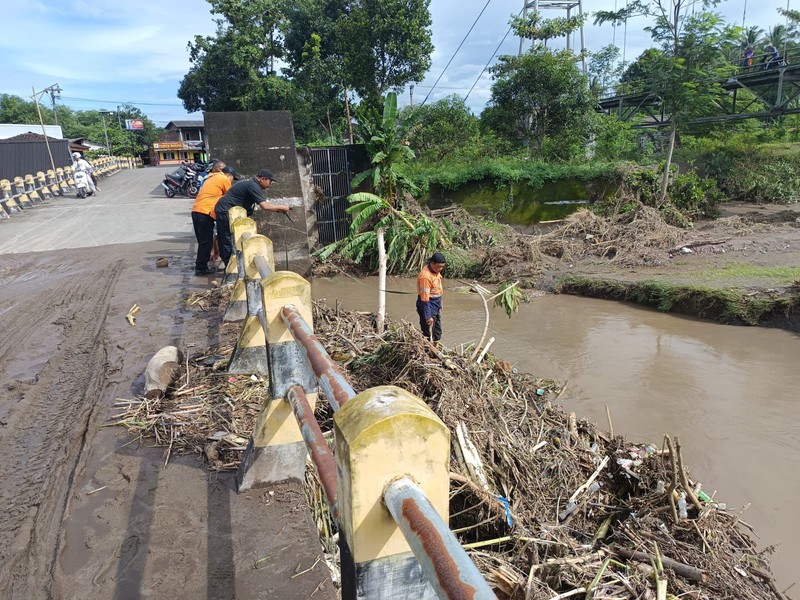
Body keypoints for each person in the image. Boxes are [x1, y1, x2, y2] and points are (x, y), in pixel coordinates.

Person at [213, 168, 290, 267]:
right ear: (263, 179)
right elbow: (265, 206)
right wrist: (282, 207)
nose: (270, 184)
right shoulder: (253, 186)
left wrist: (278, 210)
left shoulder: (251, 184)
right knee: (226, 239)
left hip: (226, 210)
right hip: (225, 211)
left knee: (228, 238)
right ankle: (229, 267)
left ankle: (230, 265)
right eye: (270, 181)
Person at [191, 166, 240, 275]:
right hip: (205, 212)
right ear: (229, 175)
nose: (231, 181)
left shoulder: (211, 177)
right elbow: (231, 196)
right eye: (232, 178)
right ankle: (200, 268)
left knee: (204, 241)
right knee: (206, 242)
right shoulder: (224, 179)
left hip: (196, 210)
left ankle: (201, 266)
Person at [416, 252, 446, 342]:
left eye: (442, 267)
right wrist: (428, 316)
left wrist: (440, 302)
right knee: (429, 333)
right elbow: (425, 299)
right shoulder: (426, 277)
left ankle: (435, 346)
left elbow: (437, 289)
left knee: (437, 332)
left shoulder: (435, 271)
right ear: (432, 264)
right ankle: (428, 350)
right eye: (438, 267)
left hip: (435, 303)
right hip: (428, 305)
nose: (440, 269)